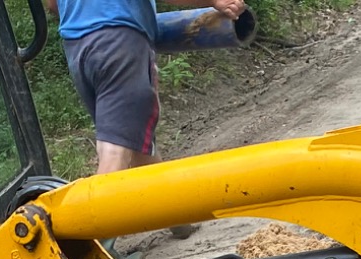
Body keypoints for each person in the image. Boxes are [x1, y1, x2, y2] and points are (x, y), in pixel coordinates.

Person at [53, 0, 247, 173]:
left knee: (137, 145)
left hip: (77, 48)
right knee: (114, 153)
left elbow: (53, 5)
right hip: (119, 42)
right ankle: (94, 213)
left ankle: (169, 213)